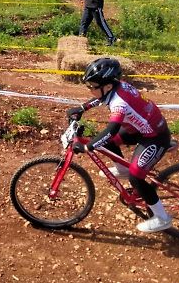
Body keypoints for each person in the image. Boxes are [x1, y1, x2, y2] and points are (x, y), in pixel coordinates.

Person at [67, 57, 173, 233]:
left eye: (93, 86)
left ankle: (162, 218)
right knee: (106, 144)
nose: (90, 89)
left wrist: (88, 147)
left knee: (136, 176)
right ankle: (122, 169)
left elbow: (110, 130)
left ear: (107, 85)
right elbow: (101, 99)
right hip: (140, 129)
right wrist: (82, 108)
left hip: (154, 137)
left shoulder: (119, 102)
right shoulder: (115, 86)